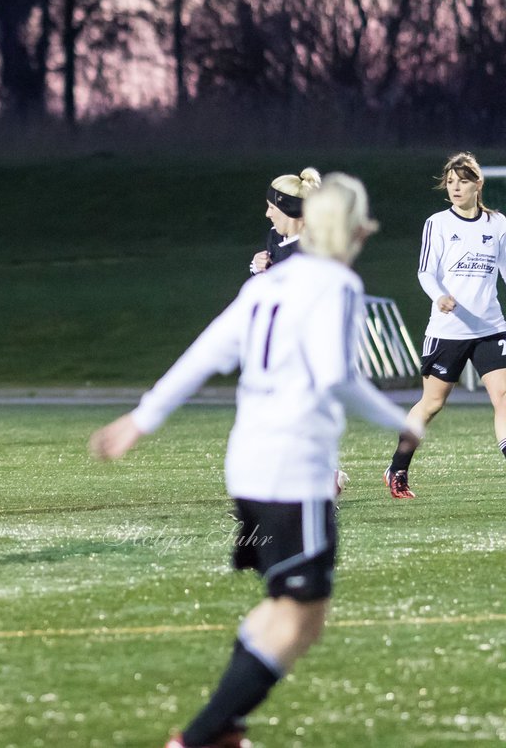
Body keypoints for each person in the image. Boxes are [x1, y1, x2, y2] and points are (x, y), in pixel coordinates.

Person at [90, 174, 423, 748]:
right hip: (294, 469)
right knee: (304, 614)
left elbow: (207, 351)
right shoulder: (335, 283)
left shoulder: (265, 284)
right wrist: (403, 423)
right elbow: (336, 375)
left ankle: (224, 730)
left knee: (287, 604)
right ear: (359, 230)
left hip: (247, 465)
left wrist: (142, 418)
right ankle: (199, 737)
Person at [385, 152, 506, 499]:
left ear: (478, 184)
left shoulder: (498, 224)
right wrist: (439, 296)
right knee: (432, 403)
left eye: (463, 181)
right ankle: (398, 467)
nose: (455, 187)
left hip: (491, 328)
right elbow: (425, 271)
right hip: (448, 331)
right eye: (451, 182)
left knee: (502, 396)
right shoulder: (437, 223)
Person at [249, 168, 322, 275]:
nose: (267, 214)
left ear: (289, 209)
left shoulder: (312, 253)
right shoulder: (275, 235)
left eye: (272, 207)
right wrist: (256, 266)